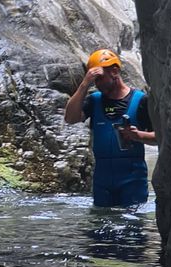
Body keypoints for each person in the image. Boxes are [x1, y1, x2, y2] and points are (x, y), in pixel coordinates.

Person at [63, 49, 157, 207]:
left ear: (114, 71)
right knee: (99, 227)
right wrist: (85, 84)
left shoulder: (141, 100)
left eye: (99, 78)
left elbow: (159, 138)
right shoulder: (94, 101)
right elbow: (70, 118)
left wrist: (138, 136)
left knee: (131, 228)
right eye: (94, 81)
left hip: (132, 179)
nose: (97, 84)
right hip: (102, 179)